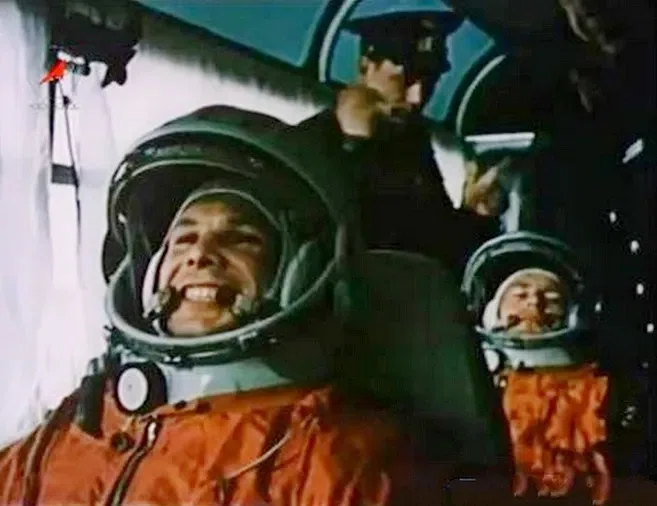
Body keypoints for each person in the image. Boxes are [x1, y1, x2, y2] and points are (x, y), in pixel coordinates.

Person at [0, 106, 456, 506]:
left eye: (241, 238)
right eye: (184, 239)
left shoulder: (340, 460)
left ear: (297, 271)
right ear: (149, 272)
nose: (200, 255)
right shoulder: (77, 425)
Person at [295, 9, 505, 275]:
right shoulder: (306, 144)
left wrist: (475, 214)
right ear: (365, 66)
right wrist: (356, 145)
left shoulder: (412, 144)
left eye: (431, 80)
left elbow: (438, 248)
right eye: (405, 78)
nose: (418, 98)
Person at [458, 231, 657, 505]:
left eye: (551, 298)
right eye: (520, 294)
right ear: (493, 310)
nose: (534, 303)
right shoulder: (462, 376)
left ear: (571, 314)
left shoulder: (603, 391)